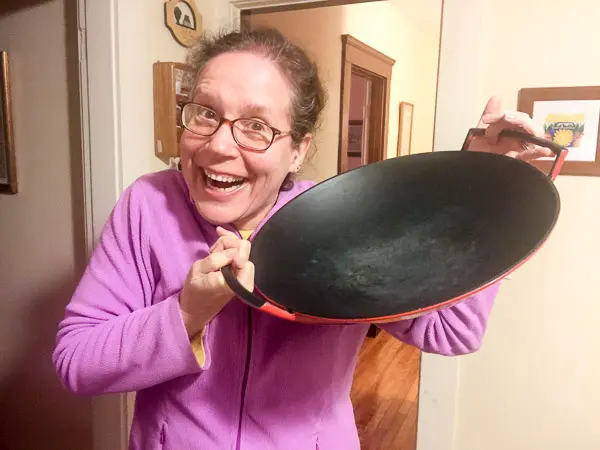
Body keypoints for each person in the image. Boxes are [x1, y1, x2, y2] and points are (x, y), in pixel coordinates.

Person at [52, 27, 554, 450]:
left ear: (298, 150)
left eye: (256, 126)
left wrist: (480, 195)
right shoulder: (148, 205)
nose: (219, 145)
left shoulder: (349, 222)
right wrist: (186, 313)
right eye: (205, 112)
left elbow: (451, 332)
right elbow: (77, 362)